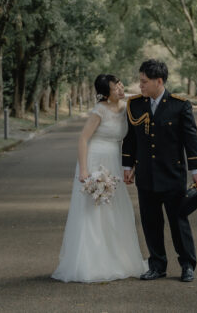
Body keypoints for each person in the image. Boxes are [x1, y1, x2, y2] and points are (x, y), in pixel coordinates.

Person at [52, 74, 147, 282]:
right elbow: (83, 139)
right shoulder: (99, 111)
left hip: (114, 160)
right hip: (95, 160)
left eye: (120, 84)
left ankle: (118, 258)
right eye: (115, 88)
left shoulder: (127, 106)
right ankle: (91, 262)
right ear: (105, 94)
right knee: (93, 210)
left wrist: (132, 164)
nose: (120, 89)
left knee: (115, 208)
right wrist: (84, 170)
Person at [122, 59, 197, 283]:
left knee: (179, 222)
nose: (140, 85)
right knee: (151, 223)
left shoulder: (180, 105)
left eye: (144, 81)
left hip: (172, 174)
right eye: (140, 81)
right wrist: (127, 165)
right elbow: (130, 138)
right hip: (146, 175)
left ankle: (187, 265)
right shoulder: (135, 105)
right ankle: (157, 266)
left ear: (159, 81)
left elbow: (190, 138)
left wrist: (196, 168)